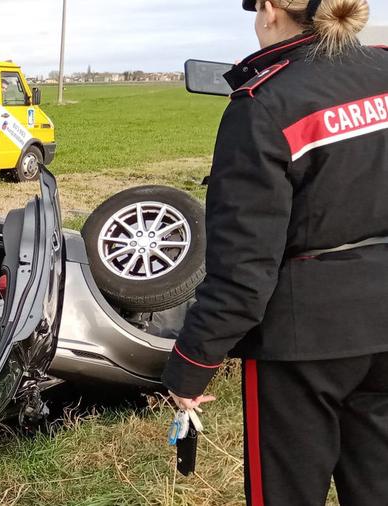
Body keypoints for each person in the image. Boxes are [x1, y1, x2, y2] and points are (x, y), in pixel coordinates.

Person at [161, 0, 385, 505]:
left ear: (268, 9)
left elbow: (243, 268)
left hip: (304, 339)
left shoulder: (265, 102)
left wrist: (192, 363)